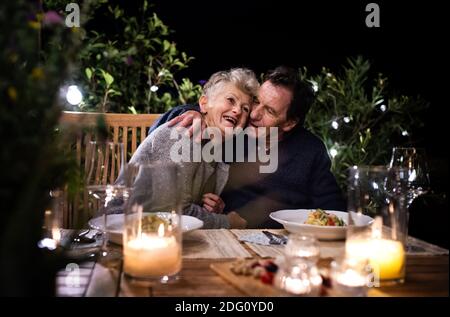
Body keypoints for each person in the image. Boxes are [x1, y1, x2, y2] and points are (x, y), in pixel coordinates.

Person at [150, 66, 346, 228]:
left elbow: (334, 211)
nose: (254, 114)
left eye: (269, 110)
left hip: (283, 241)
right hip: (227, 234)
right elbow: (159, 134)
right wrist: (194, 112)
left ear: (289, 123)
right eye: (256, 102)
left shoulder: (310, 150)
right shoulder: (233, 133)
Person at [120, 68, 259, 228]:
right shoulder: (185, 133)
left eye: (245, 109)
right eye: (230, 100)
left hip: (154, 232)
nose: (237, 110)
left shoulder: (215, 149)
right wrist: (226, 222)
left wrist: (210, 209)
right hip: (123, 230)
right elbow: (168, 212)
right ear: (204, 103)